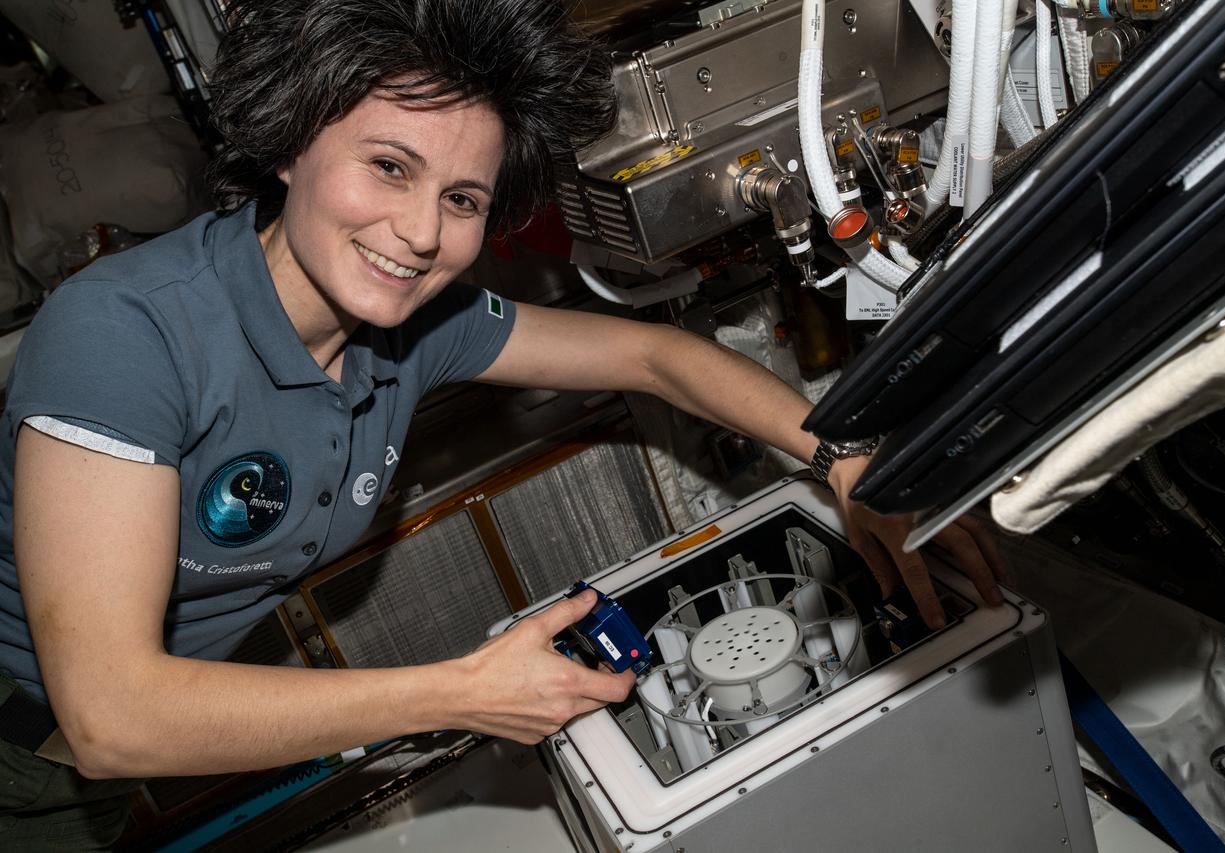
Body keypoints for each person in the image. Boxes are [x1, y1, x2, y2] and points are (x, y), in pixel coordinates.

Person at [0, 0, 1003, 847]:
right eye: (388, 166)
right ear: (291, 143)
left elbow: (653, 357)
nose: (422, 232)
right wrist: (460, 691)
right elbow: (115, 716)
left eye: (463, 196)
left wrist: (844, 462)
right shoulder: (125, 335)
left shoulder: (405, 321)